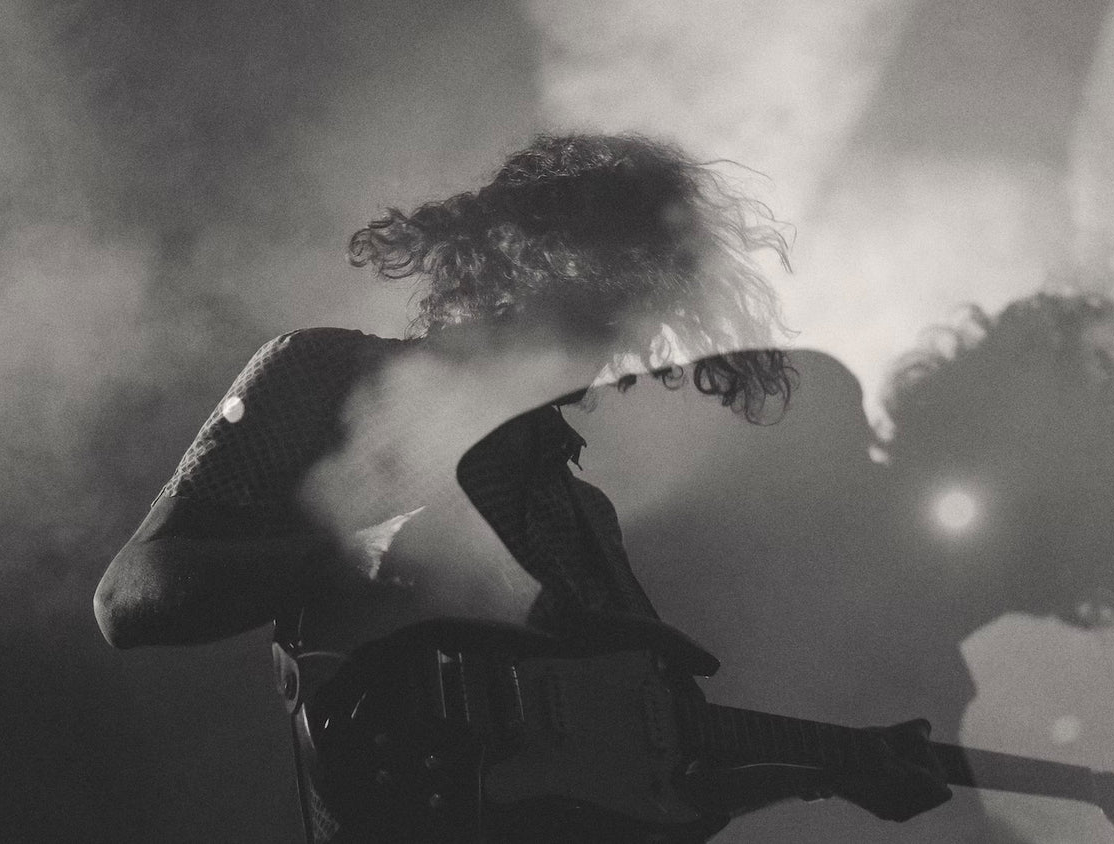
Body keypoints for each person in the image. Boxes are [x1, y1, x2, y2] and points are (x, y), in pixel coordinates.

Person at [93, 133, 950, 842]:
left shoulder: (582, 514)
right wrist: (352, 558)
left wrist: (832, 771)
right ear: (519, 268)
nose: (609, 358)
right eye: (595, 315)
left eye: (629, 328)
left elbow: (657, 779)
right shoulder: (325, 374)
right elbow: (128, 598)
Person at [600, 291, 1114, 842]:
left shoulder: (924, 740)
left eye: (1101, 476)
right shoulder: (801, 410)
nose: (1044, 472)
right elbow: (563, 453)